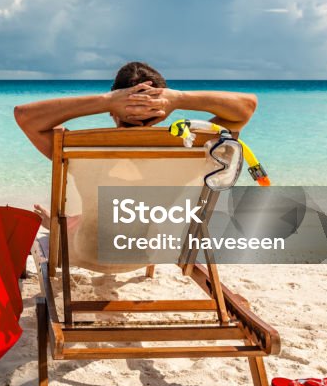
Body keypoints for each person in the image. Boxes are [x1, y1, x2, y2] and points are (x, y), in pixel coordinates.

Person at [14, 61, 258, 255]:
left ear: (113, 109)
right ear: (162, 111)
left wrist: (106, 101)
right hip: (151, 250)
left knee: (99, 214)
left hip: (89, 250)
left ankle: (56, 226)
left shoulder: (79, 149)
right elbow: (245, 109)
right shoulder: (188, 148)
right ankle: (63, 224)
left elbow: (25, 117)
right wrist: (179, 98)